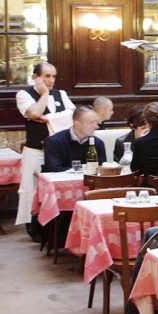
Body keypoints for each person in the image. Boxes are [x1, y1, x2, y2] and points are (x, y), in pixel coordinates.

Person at [15, 62, 75, 226]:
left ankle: (56, 227)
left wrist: (48, 118)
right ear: (36, 77)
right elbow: (33, 112)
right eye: (46, 76)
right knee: (32, 190)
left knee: (56, 190)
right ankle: (34, 227)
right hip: (35, 150)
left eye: (53, 76)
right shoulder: (24, 95)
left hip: (58, 152)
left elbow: (72, 114)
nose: (51, 80)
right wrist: (43, 95)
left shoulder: (61, 94)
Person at [43, 106, 106, 172]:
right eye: (91, 122)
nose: (96, 126)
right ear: (77, 124)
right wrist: (81, 170)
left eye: (96, 122)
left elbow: (101, 169)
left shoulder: (98, 143)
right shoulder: (54, 142)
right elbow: (53, 169)